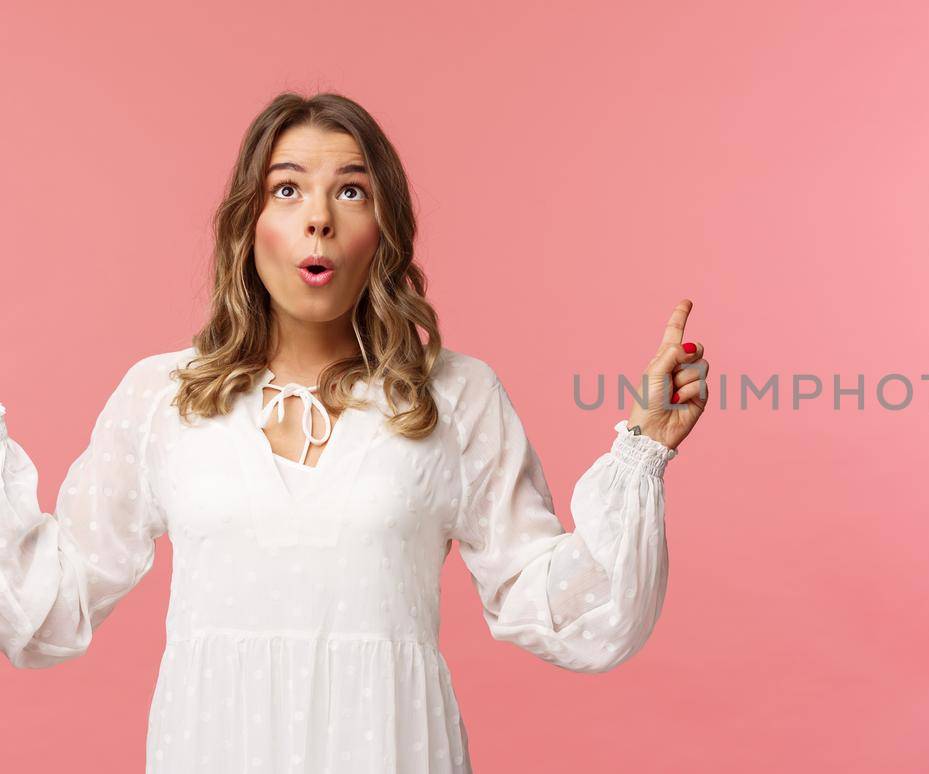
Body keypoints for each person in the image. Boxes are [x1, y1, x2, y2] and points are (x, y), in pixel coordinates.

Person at [0, 91, 710, 772]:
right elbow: (50, 605)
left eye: (350, 191)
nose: (318, 219)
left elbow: (555, 603)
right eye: (286, 190)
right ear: (248, 224)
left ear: (384, 229)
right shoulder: (163, 397)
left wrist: (641, 448)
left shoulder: (457, 396)